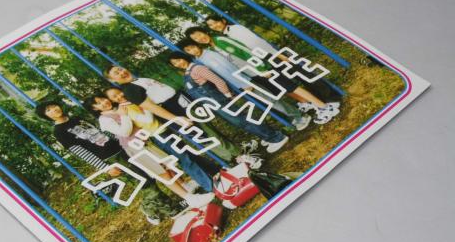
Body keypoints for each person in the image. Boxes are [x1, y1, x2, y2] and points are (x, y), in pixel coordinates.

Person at [36, 100, 182, 225]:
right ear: (46, 116)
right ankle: (171, 209)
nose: (54, 110)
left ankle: (149, 208)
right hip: (109, 159)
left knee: (148, 175)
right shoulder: (59, 132)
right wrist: (105, 167)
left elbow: (101, 131)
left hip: (122, 148)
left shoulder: (76, 118)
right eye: (48, 110)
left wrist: (121, 140)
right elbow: (79, 151)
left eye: (53, 106)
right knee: (142, 182)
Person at [103, 65, 282, 156]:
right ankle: (237, 157)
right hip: (173, 111)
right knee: (205, 135)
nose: (121, 73)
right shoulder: (130, 90)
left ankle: (238, 152)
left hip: (182, 102)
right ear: (114, 81)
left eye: (120, 69)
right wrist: (176, 119)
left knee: (210, 129)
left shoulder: (139, 80)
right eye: (116, 74)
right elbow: (151, 107)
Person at [185, 25, 340, 124]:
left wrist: (261, 68)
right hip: (253, 74)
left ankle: (324, 107)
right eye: (196, 38)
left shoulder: (221, 40)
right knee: (284, 90)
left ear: (205, 31)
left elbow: (245, 51)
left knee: (291, 87)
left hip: (261, 69)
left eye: (199, 34)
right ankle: (314, 105)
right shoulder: (213, 48)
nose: (200, 38)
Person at [85, 95, 215, 210]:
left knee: (167, 167)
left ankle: (186, 187)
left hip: (146, 141)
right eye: (98, 103)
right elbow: (124, 132)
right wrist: (123, 115)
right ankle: (190, 198)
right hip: (135, 147)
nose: (104, 103)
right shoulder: (104, 120)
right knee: (162, 173)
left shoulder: (118, 108)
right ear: (95, 109)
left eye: (102, 99)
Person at [103, 87, 220, 193]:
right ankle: (209, 185)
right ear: (112, 101)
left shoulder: (131, 102)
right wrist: (147, 106)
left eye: (119, 92)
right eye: (114, 96)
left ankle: (215, 170)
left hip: (163, 130)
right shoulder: (125, 109)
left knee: (187, 153)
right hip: (157, 135)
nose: (119, 96)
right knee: (184, 159)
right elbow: (147, 120)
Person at [168, 51, 293, 148]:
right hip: (214, 103)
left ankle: (276, 138)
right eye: (174, 63)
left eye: (178, 60)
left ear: (183, 57)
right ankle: (268, 136)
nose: (178, 64)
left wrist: (227, 95)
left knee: (243, 121)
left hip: (220, 100)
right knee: (241, 122)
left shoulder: (197, 68)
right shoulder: (188, 72)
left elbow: (218, 81)